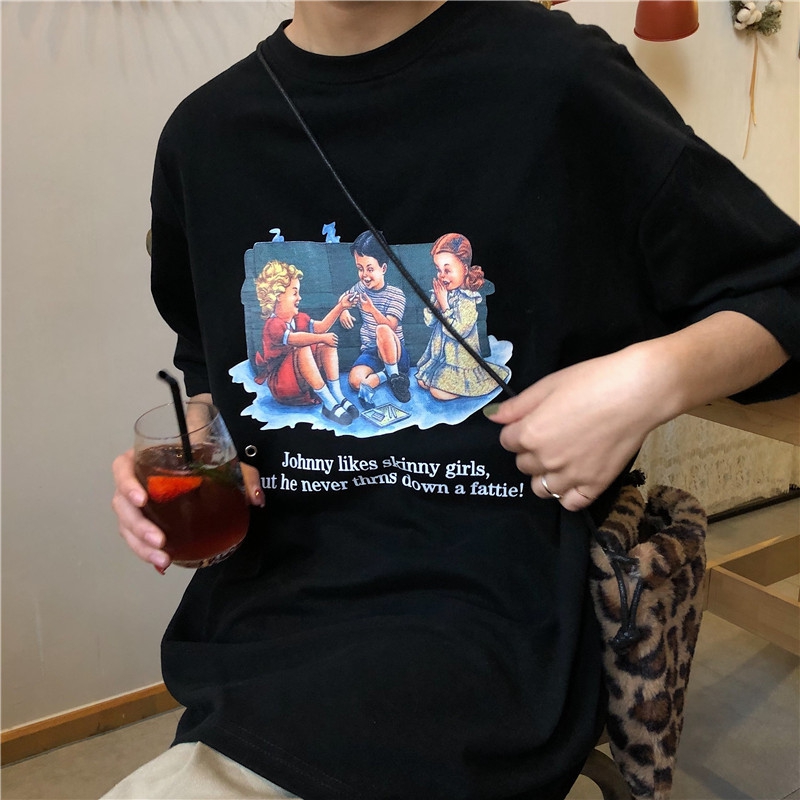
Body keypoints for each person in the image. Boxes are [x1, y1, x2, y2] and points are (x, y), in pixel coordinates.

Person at [109, 2, 800, 798]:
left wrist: (646, 381)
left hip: (489, 622)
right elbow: (205, 359)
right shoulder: (205, 137)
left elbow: (781, 284)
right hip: (261, 619)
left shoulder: (557, 78)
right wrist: (189, 454)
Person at [253, 259, 358, 425]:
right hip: (283, 384)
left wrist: (341, 306)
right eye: (295, 293)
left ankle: (337, 395)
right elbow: (295, 339)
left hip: (300, 379)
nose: (299, 297)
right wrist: (321, 337)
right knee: (303, 346)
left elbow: (321, 327)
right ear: (278, 296)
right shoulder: (273, 325)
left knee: (327, 344)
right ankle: (329, 402)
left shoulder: (299, 318)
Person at [416, 232, 510, 400]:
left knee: (437, 392)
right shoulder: (442, 293)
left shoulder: (467, 299)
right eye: (438, 270)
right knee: (422, 382)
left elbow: (459, 332)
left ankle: (467, 385)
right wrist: (437, 303)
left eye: (447, 270)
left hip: (460, 361)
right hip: (442, 356)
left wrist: (445, 305)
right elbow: (429, 322)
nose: (442, 275)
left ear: (465, 268)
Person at [339, 230, 411, 409]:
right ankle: (387, 375)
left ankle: (395, 375)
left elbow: (391, 326)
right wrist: (343, 310)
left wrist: (371, 309)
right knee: (355, 381)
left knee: (382, 329)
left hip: (395, 353)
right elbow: (345, 297)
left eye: (370, 269)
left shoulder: (396, 295)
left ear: (383, 268)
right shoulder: (360, 288)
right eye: (360, 268)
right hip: (371, 352)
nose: (365, 275)